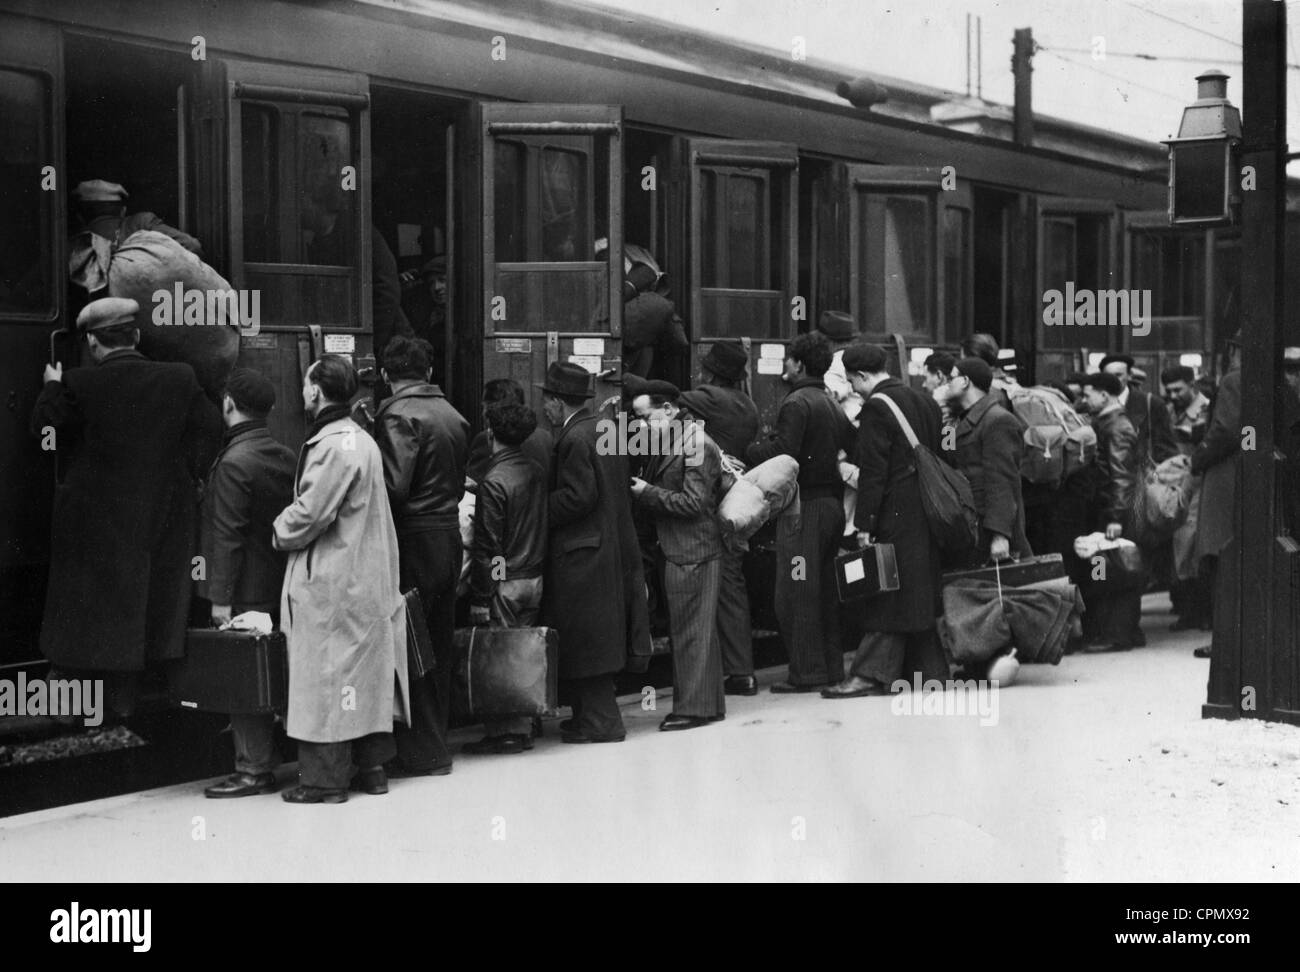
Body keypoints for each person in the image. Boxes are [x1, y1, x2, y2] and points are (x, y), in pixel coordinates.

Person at [31, 297, 220, 719]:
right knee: (150, 609)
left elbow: (46, 438)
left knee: (97, 615)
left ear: (94, 344)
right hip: (161, 517)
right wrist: (187, 475)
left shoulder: (77, 385)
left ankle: (87, 702)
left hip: (95, 524)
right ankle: (133, 700)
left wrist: (51, 388)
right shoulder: (179, 378)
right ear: (135, 336)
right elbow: (211, 431)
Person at [274, 355, 408, 803]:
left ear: (315, 391)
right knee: (362, 677)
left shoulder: (332, 445)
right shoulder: (361, 439)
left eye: (307, 384)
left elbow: (312, 513)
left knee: (325, 679)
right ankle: (371, 770)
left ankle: (323, 782)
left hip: (332, 579)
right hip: (364, 576)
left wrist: (277, 530)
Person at [822, 343, 947, 698]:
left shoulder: (876, 408)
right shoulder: (924, 400)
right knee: (916, 586)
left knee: (886, 588)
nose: (854, 389)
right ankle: (929, 672)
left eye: (852, 381)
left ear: (862, 376)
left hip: (896, 508)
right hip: (926, 505)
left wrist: (865, 524)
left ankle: (869, 674)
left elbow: (874, 473)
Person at [371, 336, 469, 778]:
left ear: (387, 376)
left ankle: (421, 751)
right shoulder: (453, 414)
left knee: (412, 644)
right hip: (448, 538)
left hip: (414, 540)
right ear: (428, 372)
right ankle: (435, 743)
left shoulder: (397, 415)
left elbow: (393, 487)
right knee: (437, 642)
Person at [540, 362, 651, 742]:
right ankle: (588, 718)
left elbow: (579, 497)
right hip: (611, 545)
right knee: (596, 636)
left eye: (547, 401)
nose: (545, 410)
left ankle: (603, 723)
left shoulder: (573, 439)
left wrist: (539, 508)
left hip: (583, 553)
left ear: (557, 402)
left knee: (587, 639)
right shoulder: (607, 429)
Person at [198, 368, 297, 798]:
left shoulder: (235, 461)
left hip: (245, 590)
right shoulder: (284, 454)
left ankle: (253, 770)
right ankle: (277, 756)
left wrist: (220, 599)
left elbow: (227, 535)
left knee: (246, 678)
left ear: (228, 406)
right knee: (280, 673)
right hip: (282, 584)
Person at [746, 332, 855, 693]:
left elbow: (785, 454)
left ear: (801, 365)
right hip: (832, 507)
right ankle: (831, 669)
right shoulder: (830, 401)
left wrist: (751, 449)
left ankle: (806, 674)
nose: (785, 366)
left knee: (796, 591)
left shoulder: (796, 403)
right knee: (823, 591)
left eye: (789, 360)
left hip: (803, 511)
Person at [630, 386, 726, 730]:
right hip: (685, 547)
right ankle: (706, 704)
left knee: (690, 631)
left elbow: (693, 503)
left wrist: (647, 493)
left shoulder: (697, 444)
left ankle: (694, 710)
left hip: (692, 548)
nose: (640, 426)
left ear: (668, 409)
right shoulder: (676, 439)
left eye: (644, 417)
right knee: (697, 630)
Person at [463, 400, 548, 755]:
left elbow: (489, 545)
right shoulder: (536, 470)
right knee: (524, 653)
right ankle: (525, 724)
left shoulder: (494, 481)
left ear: (490, 434)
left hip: (508, 578)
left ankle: (507, 732)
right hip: (534, 577)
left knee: (502, 654)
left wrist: (484, 594)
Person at [686, 339, 760, 694]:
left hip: (717, 503)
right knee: (732, 583)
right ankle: (738, 669)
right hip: (737, 502)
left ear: (711, 372)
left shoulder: (712, 397)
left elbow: (669, 394)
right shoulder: (746, 402)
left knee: (725, 585)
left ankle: (738, 671)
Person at [1078, 372, 1144, 653]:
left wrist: (1116, 517)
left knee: (1114, 569)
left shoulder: (1116, 426)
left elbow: (1121, 475)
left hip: (1113, 511)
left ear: (1103, 395)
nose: (1084, 399)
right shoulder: (1111, 422)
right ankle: (1121, 631)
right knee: (1111, 568)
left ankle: (1117, 632)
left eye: (1088, 393)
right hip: (1109, 508)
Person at [944, 357, 1032, 564]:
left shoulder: (998, 420)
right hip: (971, 524)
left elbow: (1002, 482)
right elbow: (949, 458)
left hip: (989, 529)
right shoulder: (959, 420)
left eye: (951, 378)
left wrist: (1000, 535)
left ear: (965, 381)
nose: (947, 384)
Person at [1189, 333, 1243, 659]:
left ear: (1234, 350)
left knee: (1220, 557)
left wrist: (1198, 458)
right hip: (1243, 474)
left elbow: (1225, 430)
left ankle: (1224, 638)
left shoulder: (1234, 379)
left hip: (1225, 477)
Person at [68, 180, 202, 296]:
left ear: (80, 216)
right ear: (123, 211)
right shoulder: (142, 223)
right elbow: (192, 246)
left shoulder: (73, 243)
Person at [1161, 364, 1211, 632]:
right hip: (1174, 486)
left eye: (1178, 389)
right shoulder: (1169, 411)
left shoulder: (1208, 409)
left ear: (1192, 385)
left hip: (1198, 484)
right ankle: (1188, 609)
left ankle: (1199, 611)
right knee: (1180, 547)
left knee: (1192, 544)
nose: (1173, 395)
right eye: (1168, 391)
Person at [466, 378, 554, 483]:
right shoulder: (545, 437)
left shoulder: (488, 438)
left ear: (491, 409)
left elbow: (473, 482)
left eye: (484, 407)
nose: (482, 413)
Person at [1099, 354, 1178, 466]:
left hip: (1142, 474)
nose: (1113, 380)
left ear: (1129, 375)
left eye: (1118, 375)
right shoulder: (1096, 406)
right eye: (1109, 376)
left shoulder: (1151, 404)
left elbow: (1166, 448)